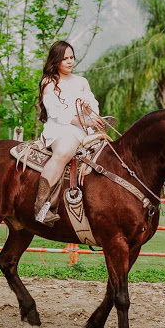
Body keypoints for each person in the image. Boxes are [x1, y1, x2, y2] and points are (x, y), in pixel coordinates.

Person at [35, 40, 104, 226]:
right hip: (59, 127)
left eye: (71, 57)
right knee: (64, 151)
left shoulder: (82, 81)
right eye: (64, 58)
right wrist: (83, 120)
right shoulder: (49, 82)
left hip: (83, 128)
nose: (69, 61)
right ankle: (41, 205)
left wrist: (89, 110)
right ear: (55, 60)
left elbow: (94, 109)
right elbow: (56, 113)